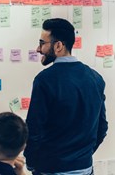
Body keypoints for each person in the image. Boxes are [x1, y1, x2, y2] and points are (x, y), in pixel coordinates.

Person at [24, 18, 108, 175]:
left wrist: (31, 163)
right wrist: (83, 156)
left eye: (42, 43)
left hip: (51, 169)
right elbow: (102, 127)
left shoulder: (44, 80)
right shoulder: (96, 78)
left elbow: (34, 128)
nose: (38, 49)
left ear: (58, 46)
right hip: (85, 168)